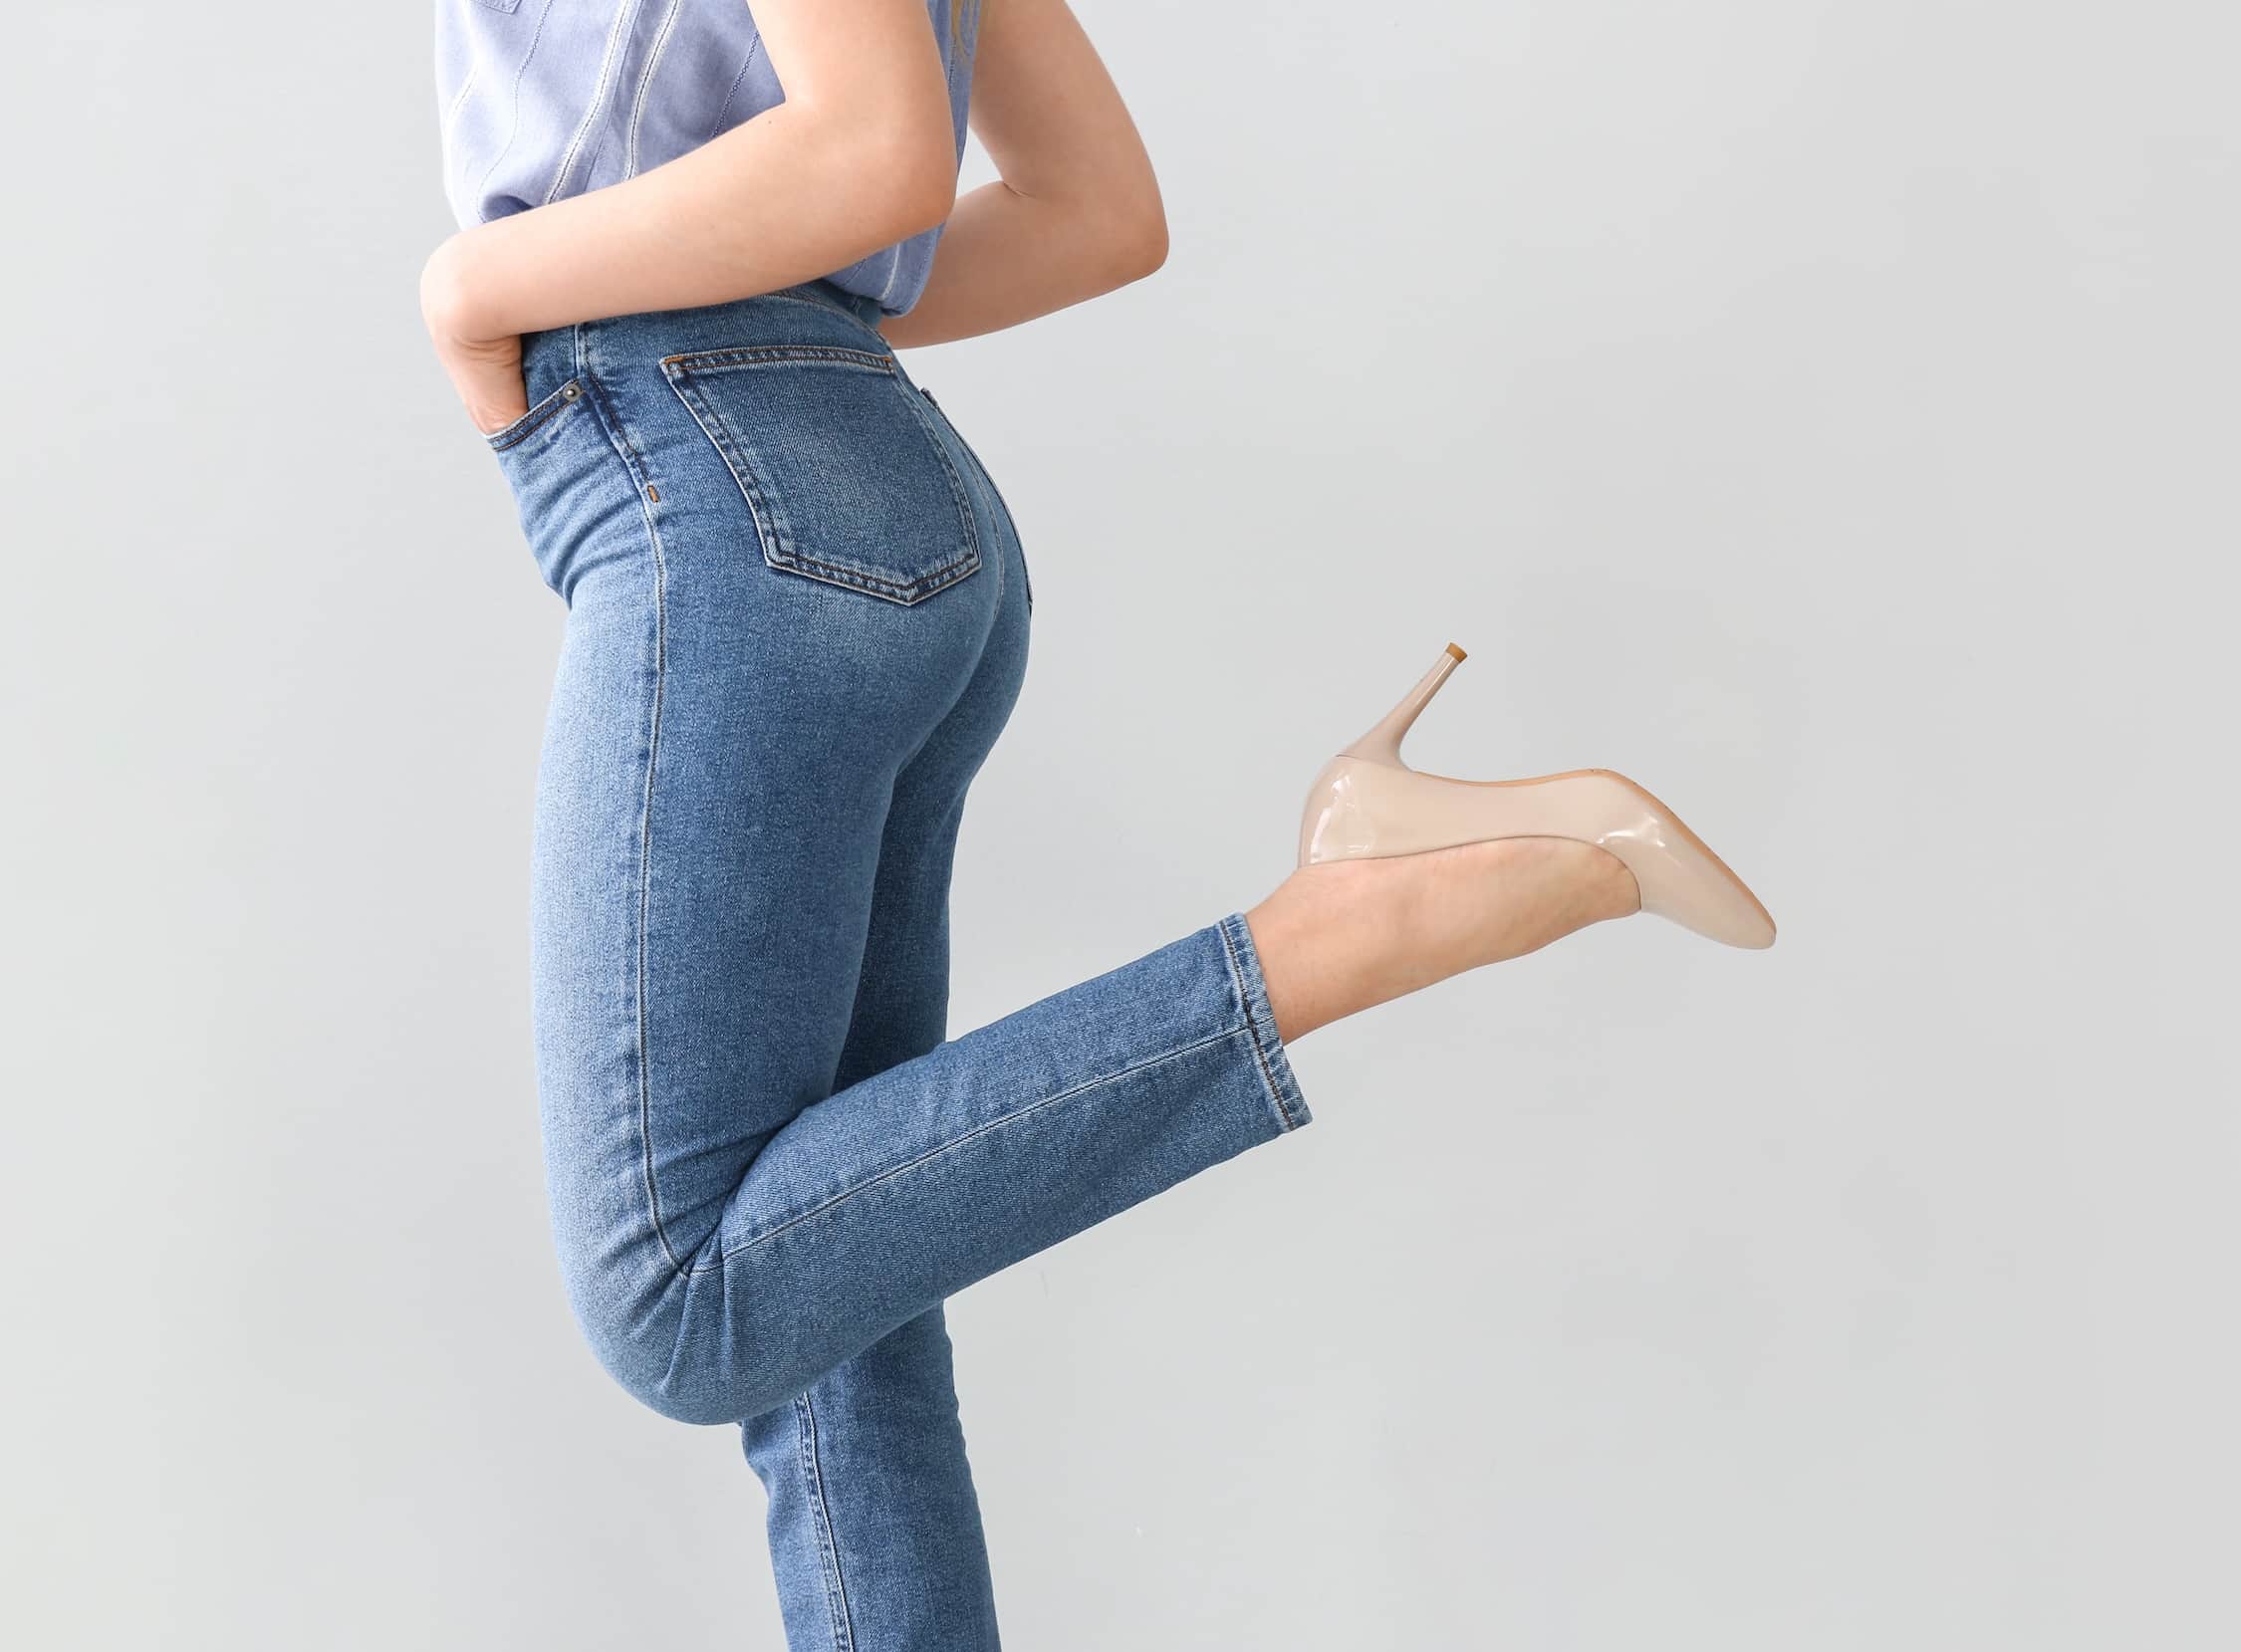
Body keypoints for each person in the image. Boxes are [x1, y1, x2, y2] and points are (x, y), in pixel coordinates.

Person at [423, 1, 1774, 1644]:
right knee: (838, 1293)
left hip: (722, 498)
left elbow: (876, 151)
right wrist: (783, 334)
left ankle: (1326, 929)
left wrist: (473, 289)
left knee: (682, 1296)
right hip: (843, 478)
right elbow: (1095, 210)